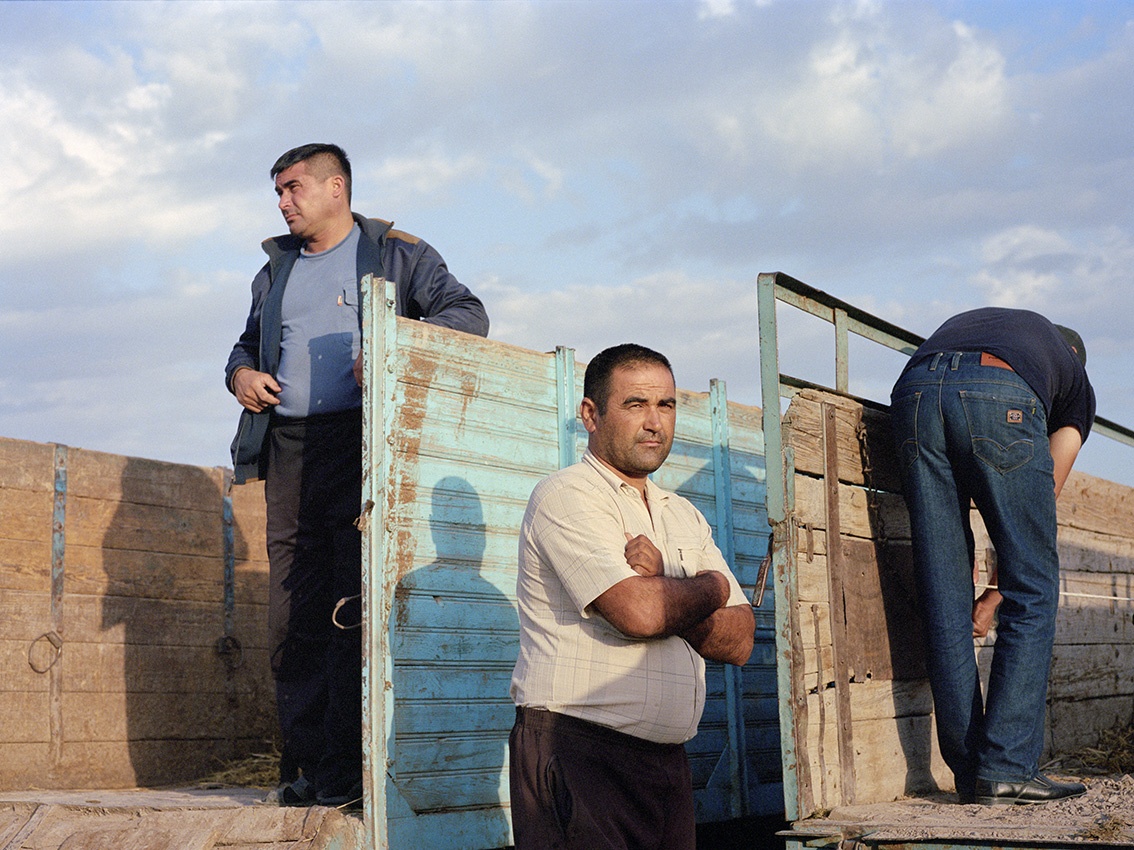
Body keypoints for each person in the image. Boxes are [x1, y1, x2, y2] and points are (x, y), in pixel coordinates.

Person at [225, 143, 489, 808]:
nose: (283, 204)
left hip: (364, 447)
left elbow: (467, 314)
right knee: (293, 613)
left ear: (335, 187)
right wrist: (241, 375)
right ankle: (303, 766)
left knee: (351, 608)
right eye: (278, 194)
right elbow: (245, 344)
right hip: (288, 449)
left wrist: (392, 349)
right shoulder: (275, 269)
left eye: (293, 189)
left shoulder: (399, 253)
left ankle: (349, 767)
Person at [509, 343, 755, 849]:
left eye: (665, 406)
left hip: (665, 766)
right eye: (635, 404)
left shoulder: (682, 514)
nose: (654, 422)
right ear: (590, 415)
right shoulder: (567, 495)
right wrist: (710, 586)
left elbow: (741, 641)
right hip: (579, 753)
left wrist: (667, 576)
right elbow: (638, 613)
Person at [889, 307, 1095, 806]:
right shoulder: (1076, 388)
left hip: (913, 390)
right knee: (1036, 590)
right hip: (998, 391)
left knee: (944, 596)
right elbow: (1038, 510)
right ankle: (1004, 768)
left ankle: (970, 772)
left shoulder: (1006, 328)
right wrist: (1002, 590)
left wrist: (984, 593)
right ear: (1074, 361)